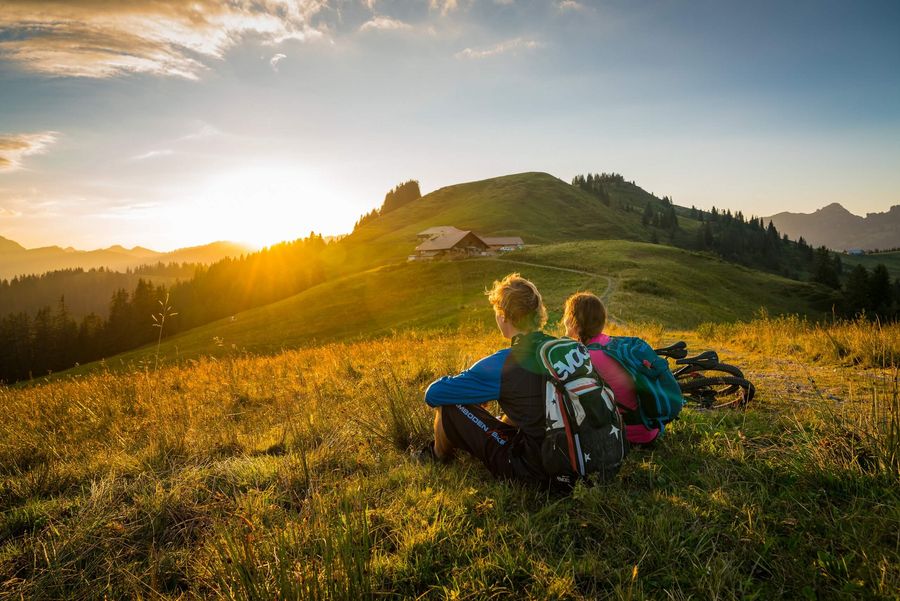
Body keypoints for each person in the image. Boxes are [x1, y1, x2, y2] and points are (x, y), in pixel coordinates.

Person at [418, 273, 554, 484]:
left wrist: (472, 388)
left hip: (533, 469)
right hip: (574, 458)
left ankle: (435, 457)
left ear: (503, 316)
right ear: (538, 314)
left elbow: (434, 394)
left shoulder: (504, 362)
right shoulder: (561, 349)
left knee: (451, 406)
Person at [562, 292, 660, 445]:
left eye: (566, 316)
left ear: (574, 323)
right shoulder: (610, 343)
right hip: (650, 429)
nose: (563, 321)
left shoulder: (585, 356)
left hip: (627, 435)